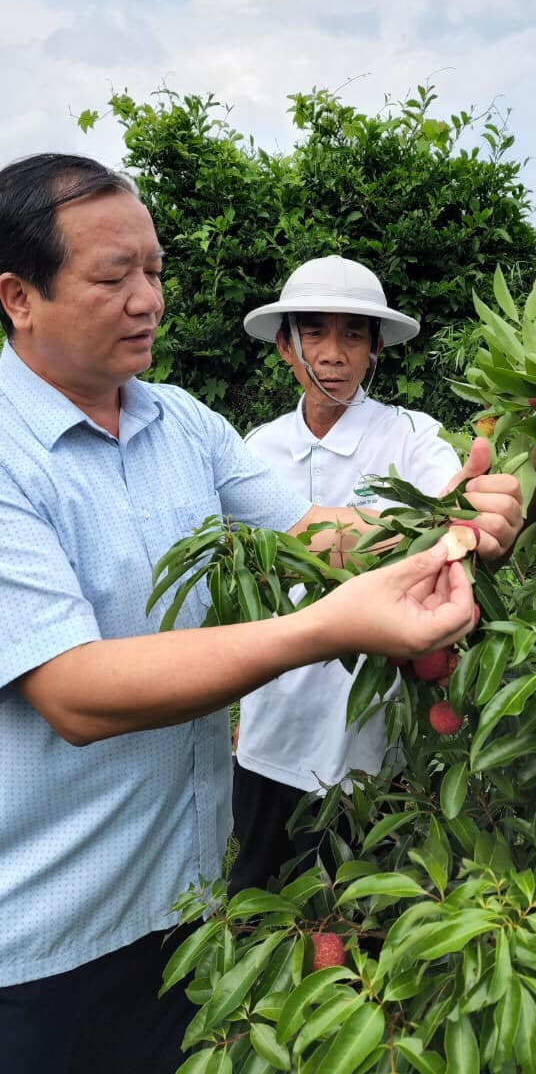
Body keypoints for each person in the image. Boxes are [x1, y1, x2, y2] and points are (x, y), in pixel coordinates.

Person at [0, 155, 479, 1074]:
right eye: (113, 278)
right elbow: (75, 691)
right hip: (47, 939)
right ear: (19, 297)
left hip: (188, 912)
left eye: (156, 272)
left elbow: (310, 535)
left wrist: (447, 521)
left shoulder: (181, 423)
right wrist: (326, 627)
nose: (148, 301)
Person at [231, 253, 536, 892]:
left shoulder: (410, 438)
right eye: (314, 331)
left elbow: (473, 531)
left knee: (364, 919)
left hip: (370, 752)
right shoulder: (256, 450)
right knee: (260, 906)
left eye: (353, 334)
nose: (334, 353)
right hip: (266, 740)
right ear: (286, 347)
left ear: (375, 349)